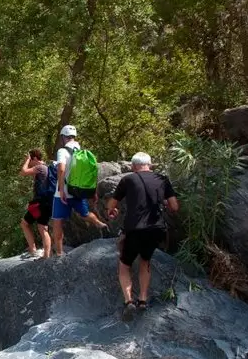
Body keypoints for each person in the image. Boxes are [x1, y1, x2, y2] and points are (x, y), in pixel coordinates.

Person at [106, 152, 179, 321]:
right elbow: (174, 206)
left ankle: (129, 301)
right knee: (145, 261)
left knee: (124, 264)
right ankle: (143, 300)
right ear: (150, 165)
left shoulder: (128, 180)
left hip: (134, 228)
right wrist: (166, 204)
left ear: (133, 167)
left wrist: (111, 211)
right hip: (156, 228)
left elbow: (112, 205)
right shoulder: (162, 179)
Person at [52, 125, 107, 256]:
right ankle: (100, 224)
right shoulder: (81, 151)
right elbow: (90, 172)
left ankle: (59, 253)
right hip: (78, 190)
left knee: (57, 221)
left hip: (63, 192)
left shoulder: (62, 151)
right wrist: (93, 191)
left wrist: (61, 189)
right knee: (85, 213)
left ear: (62, 137)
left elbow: (61, 169)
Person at [19, 149, 52, 258]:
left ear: (34, 158)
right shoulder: (46, 168)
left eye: (30, 159)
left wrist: (27, 160)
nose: (30, 162)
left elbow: (23, 172)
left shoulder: (39, 167)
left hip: (40, 203)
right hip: (48, 202)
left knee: (24, 223)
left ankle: (33, 250)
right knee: (43, 228)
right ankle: (46, 255)